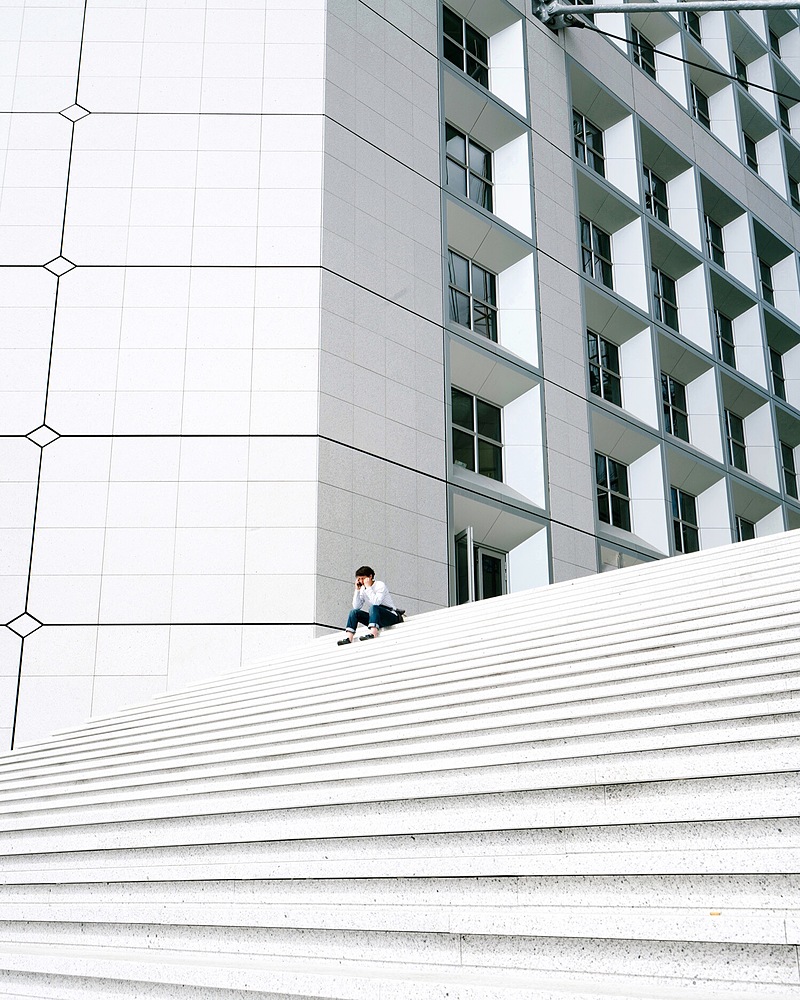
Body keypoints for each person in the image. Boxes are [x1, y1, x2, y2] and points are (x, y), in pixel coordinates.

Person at [337, 566, 404, 644]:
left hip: (390, 616)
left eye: (363, 578)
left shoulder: (380, 585)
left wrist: (368, 587)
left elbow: (376, 602)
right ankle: (349, 638)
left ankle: (373, 633)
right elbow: (356, 607)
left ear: (370, 576)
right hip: (376, 618)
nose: (361, 581)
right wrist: (357, 590)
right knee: (354, 612)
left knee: (374, 607)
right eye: (359, 579)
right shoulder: (362, 589)